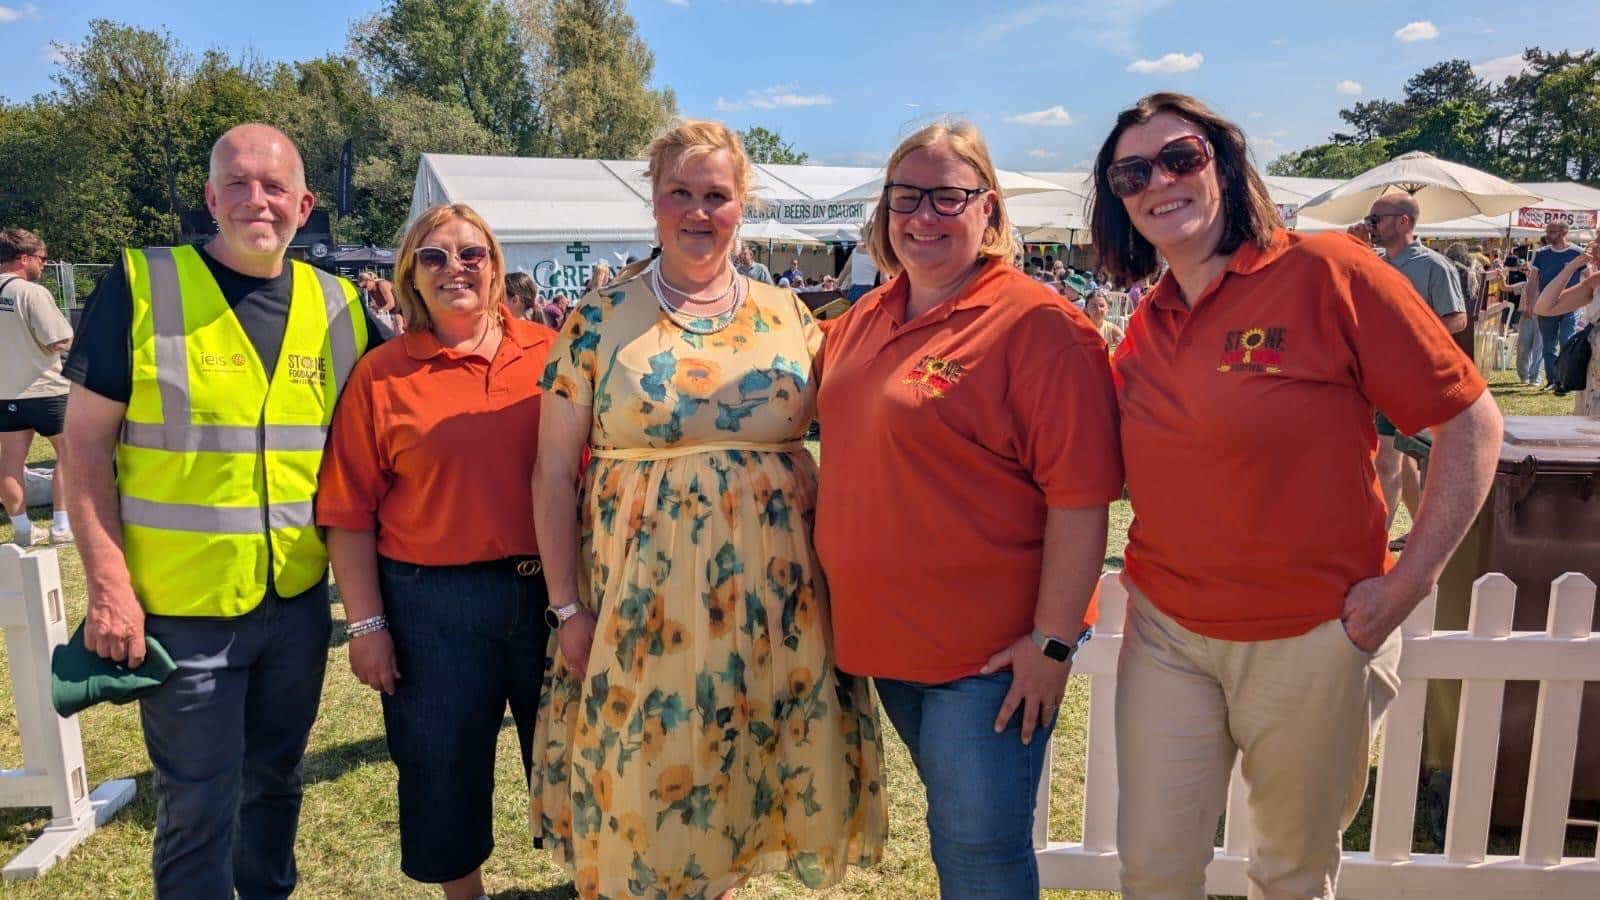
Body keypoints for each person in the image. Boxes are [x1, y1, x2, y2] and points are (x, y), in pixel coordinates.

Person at [1092, 92, 1501, 900]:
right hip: (1169, 633)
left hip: (1311, 633)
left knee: (1289, 874)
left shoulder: (1327, 271)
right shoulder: (1148, 320)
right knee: (1152, 868)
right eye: (1132, 172)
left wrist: (1409, 582)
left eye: (1181, 158)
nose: (1157, 182)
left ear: (1226, 165)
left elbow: (1472, 423)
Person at [529, 119, 886, 900]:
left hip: (777, 606)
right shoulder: (596, 320)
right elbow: (553, 476)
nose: (698, 211)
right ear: (653, 203)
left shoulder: (791, 318)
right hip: (640, 607)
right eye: (679, 194)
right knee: (651, 781)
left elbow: (872, 426)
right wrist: (565, 609)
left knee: (742, 776)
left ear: (742, 204)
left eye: (716, 196)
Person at [63, 123, 382, 897]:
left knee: (275, 788)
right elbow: (80, 449)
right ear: (210, 198)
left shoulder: (339, 306)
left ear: (304, 205)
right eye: (236, 184)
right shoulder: (143, 285)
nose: (255, 200)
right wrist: (109, 588)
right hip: (182, 611)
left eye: (273, 186)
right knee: (199, 808)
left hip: (296, 609)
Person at [814, 120, 1122, 898]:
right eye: (906, 196)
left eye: (948, 197)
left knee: (977, 853)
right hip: (888, 643)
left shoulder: (1038, 326)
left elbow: (1082, 498)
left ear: (988, 209)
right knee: (957, 830)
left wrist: (1052, 644)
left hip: (988, 655)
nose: (924, 215)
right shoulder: (863, 317)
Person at [319, 203, 557, 900]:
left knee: (579, 757)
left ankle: (597, 881)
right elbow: (348, 511)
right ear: (411, 277)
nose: (456, 268)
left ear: (496, 265)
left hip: (552, 594)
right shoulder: (381, 375)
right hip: (431, 603)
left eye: (472, 253)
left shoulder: (552, 352)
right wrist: (365, 626)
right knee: (439, 767)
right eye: (435, 257)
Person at [1350, 192, 1467, 540]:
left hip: (1410, 377)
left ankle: (1376, 543)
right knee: (1399, 457)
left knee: (1387, 458)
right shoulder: (1375, 262)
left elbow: (1457, 319)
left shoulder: (1433, 265)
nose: (1370, 225)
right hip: (1378, 375)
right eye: (1369, 219)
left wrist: (1413, 340)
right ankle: (1423, 534)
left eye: (1376, 219)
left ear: (1403, 221)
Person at [0, 227, 73, 546]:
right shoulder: (30, 293)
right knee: (71, 457)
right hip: (45, 391)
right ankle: (60, 527)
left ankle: (23, 530)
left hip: (5, 394)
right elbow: (59, 339)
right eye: (42, 259)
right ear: (23, 258)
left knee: (10, 463)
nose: (44, 265)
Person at [1532, 242, 1600, 413]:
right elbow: (1544, 307)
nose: (1594, 252)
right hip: (1595, 383)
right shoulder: (1596, 281)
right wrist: (1571, 267)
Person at [1527, 221, 1587, 389]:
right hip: (1546, 306)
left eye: (1552, 231)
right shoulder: (1540, 254)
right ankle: (1553, 380)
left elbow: (1588, 278)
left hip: (1570, 306)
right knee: (1548, 345)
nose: (1548, 234)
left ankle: (1565, 379)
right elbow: (1532, 282)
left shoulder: (1578, 253)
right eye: (1547, 231)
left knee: (1566, 341)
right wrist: (1530, 303)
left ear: (1564, 232)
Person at [358, 268, 404, 334]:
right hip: (396, 311)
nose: (365, 289)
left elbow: (391, 303)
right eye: (363, 288)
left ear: (370, 280)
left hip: (403, 307)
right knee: (395, 331)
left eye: (365, 286)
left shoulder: (382, 284)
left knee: (399, 330)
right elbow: (378, 306)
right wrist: (374, 310)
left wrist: (379, 312)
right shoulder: (371, 291)